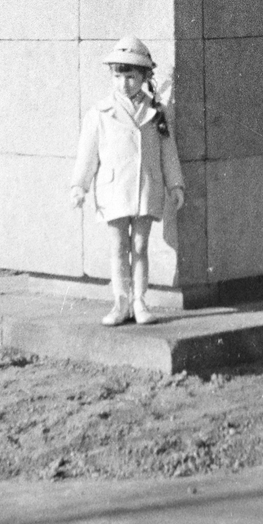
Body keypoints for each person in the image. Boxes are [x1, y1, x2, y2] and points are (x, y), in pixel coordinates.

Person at [69, 35, 185, 326]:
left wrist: (175, 184)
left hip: (146, 187)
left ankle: (139, 301)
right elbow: (88, 154)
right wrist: (79, 186)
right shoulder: (100, 113)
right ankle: (120, 302)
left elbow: (168, 151)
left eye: (131, 77)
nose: (124, 83)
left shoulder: (156, 111)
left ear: (144, 77)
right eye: (118, 76)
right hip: (113, 190)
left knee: (141, 246)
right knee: (118, 246)